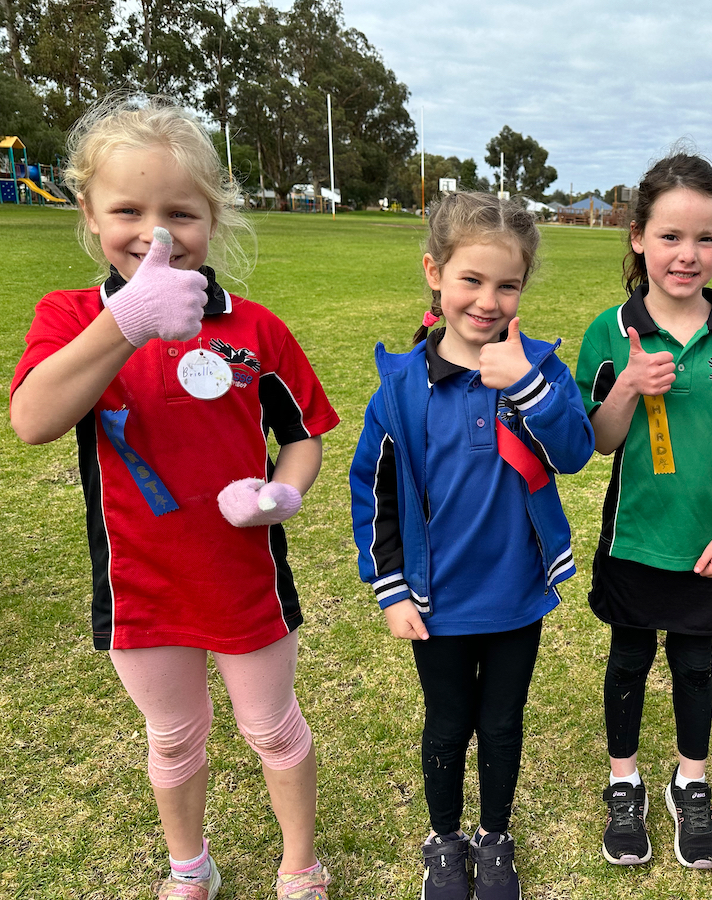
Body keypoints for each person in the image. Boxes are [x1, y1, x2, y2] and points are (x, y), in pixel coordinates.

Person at [9, 96, 339, 900]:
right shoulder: (72, 319)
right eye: (128, 209)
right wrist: (126, 320)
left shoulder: (254, 329)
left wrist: (282, 496)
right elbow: (33, 421)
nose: (155, 233)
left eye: (180, 213)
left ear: (213, 219)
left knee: (271, 728)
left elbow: (305, 436)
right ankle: (190, 866)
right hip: (140, 585)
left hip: (241, 577)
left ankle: (300, 863)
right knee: (174, 737)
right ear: (88, 214)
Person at [348, 192, 594, 900]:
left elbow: (575, 451)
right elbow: (375, 493)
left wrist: (525, 387)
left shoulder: (541, 367)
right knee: (450, 722)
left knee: (504, 722)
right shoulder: (399, 389)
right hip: (439, 601)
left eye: (507, 284)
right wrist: (390, 588)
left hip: (516, 594)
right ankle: (445, 840)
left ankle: (493, 838)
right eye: (472, 280)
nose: (488, 301)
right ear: (435, 273)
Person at [574, 152, 712, 870]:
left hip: (709, 545)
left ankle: (689, 785)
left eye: (706, 237)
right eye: (671, 236)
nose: (688, 254)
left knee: (695, 665)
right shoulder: (610, 333)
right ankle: (624, 781)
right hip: (635, 539)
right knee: (629, 660)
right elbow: (598, 443)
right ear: (638, 236)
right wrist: (629, 387)